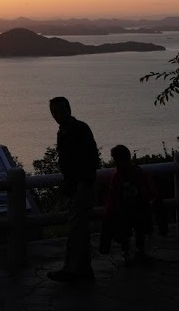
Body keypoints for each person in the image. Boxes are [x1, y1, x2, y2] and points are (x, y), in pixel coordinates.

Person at [47, 96, 99, 283]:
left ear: (69, 109)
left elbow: (92, 159)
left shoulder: (80, 129)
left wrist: (81, 183)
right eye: (53, 112)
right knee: (79, 230)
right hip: (74, 186)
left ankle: (73, 270)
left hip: (83, 186)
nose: (57, 115)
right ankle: (82, 269)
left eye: (60, 111)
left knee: (77, 229)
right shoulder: (62, 132)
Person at [99, 144, 156, 266]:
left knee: (130, 232)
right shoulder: (138, 172)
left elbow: (113, 195)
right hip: (134, 208)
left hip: (127, 209)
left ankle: (129, 253)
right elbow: (148, 189)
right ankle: (136, 252)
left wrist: (110, 211)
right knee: (136, 230)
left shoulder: (118, 176)